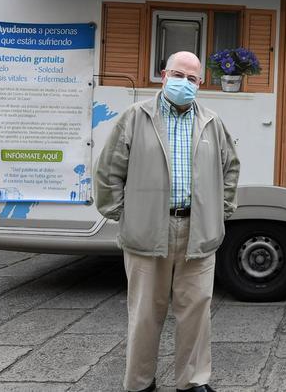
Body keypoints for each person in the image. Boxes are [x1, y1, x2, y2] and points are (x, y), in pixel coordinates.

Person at [95, 51, 240, 392]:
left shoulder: (211, 121)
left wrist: (221, 211)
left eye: (192, 78)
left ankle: (191, 381)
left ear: (201, 83)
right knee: (145, 313)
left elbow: (230, 167)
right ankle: (140, 382)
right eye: (179, 75)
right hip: (147, 232)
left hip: (198, 232)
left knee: (196, 313)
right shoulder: (135, 117)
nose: (185, 83)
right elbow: (108, 170)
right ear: (163, 75)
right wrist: (122, 214)